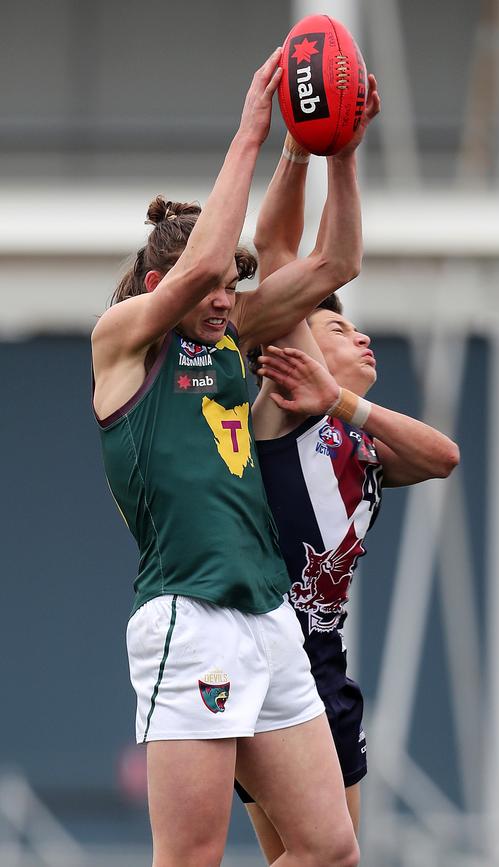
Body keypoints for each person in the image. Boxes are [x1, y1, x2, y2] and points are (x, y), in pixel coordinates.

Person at [92, 48, 378, 867]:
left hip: (267, 615)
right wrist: (255, 127)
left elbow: (336, 265)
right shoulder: (121, 346)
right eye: (215, 288)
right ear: (159, 279)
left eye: (233, 292)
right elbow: (203, 269)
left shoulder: (227, 344)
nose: (227, 299)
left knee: (330, 847)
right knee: (192, 857)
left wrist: (341, 151)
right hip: (191, 616)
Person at [235, 132, 460, 863]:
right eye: (338, 326)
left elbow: (443, 456)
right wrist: (321, 152)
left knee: (312, 856)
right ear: (300, 343)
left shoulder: (354, 438)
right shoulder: (288, 401)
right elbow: (277, 247)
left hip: (324, 660)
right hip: (270, 656)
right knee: (331, 854)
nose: (361, 337)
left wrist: (347, 403)